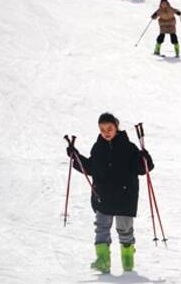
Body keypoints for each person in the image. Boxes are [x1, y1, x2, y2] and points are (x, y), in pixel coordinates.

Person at [65, 113, 154, 273]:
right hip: (103, 195)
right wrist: (76, 158)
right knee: (101, 228)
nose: (106, 132)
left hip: (125, 195)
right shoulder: (98, 147)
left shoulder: (128, 147)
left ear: (116, 127)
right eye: (102, 129)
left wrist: (144, 158)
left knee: (125, 229)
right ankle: (103, 260)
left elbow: (142, 169)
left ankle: (128, 260)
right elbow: (91, 168)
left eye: (109, 128)